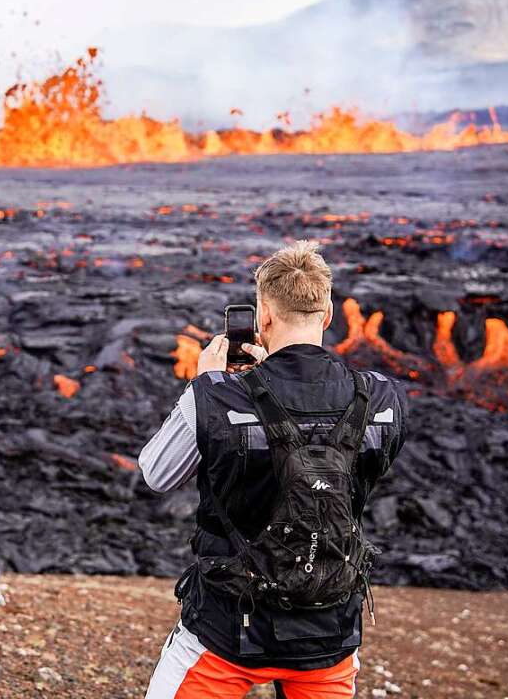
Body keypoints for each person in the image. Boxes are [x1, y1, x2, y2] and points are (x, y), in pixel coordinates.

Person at [140, 241, 408, 699]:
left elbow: (157, 475)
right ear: (326, 315)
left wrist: (207, 387)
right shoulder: (382, 398)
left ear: (263, 317)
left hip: (227, 632)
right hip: (329, 632)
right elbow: (352, 470)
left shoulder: (219, 395)